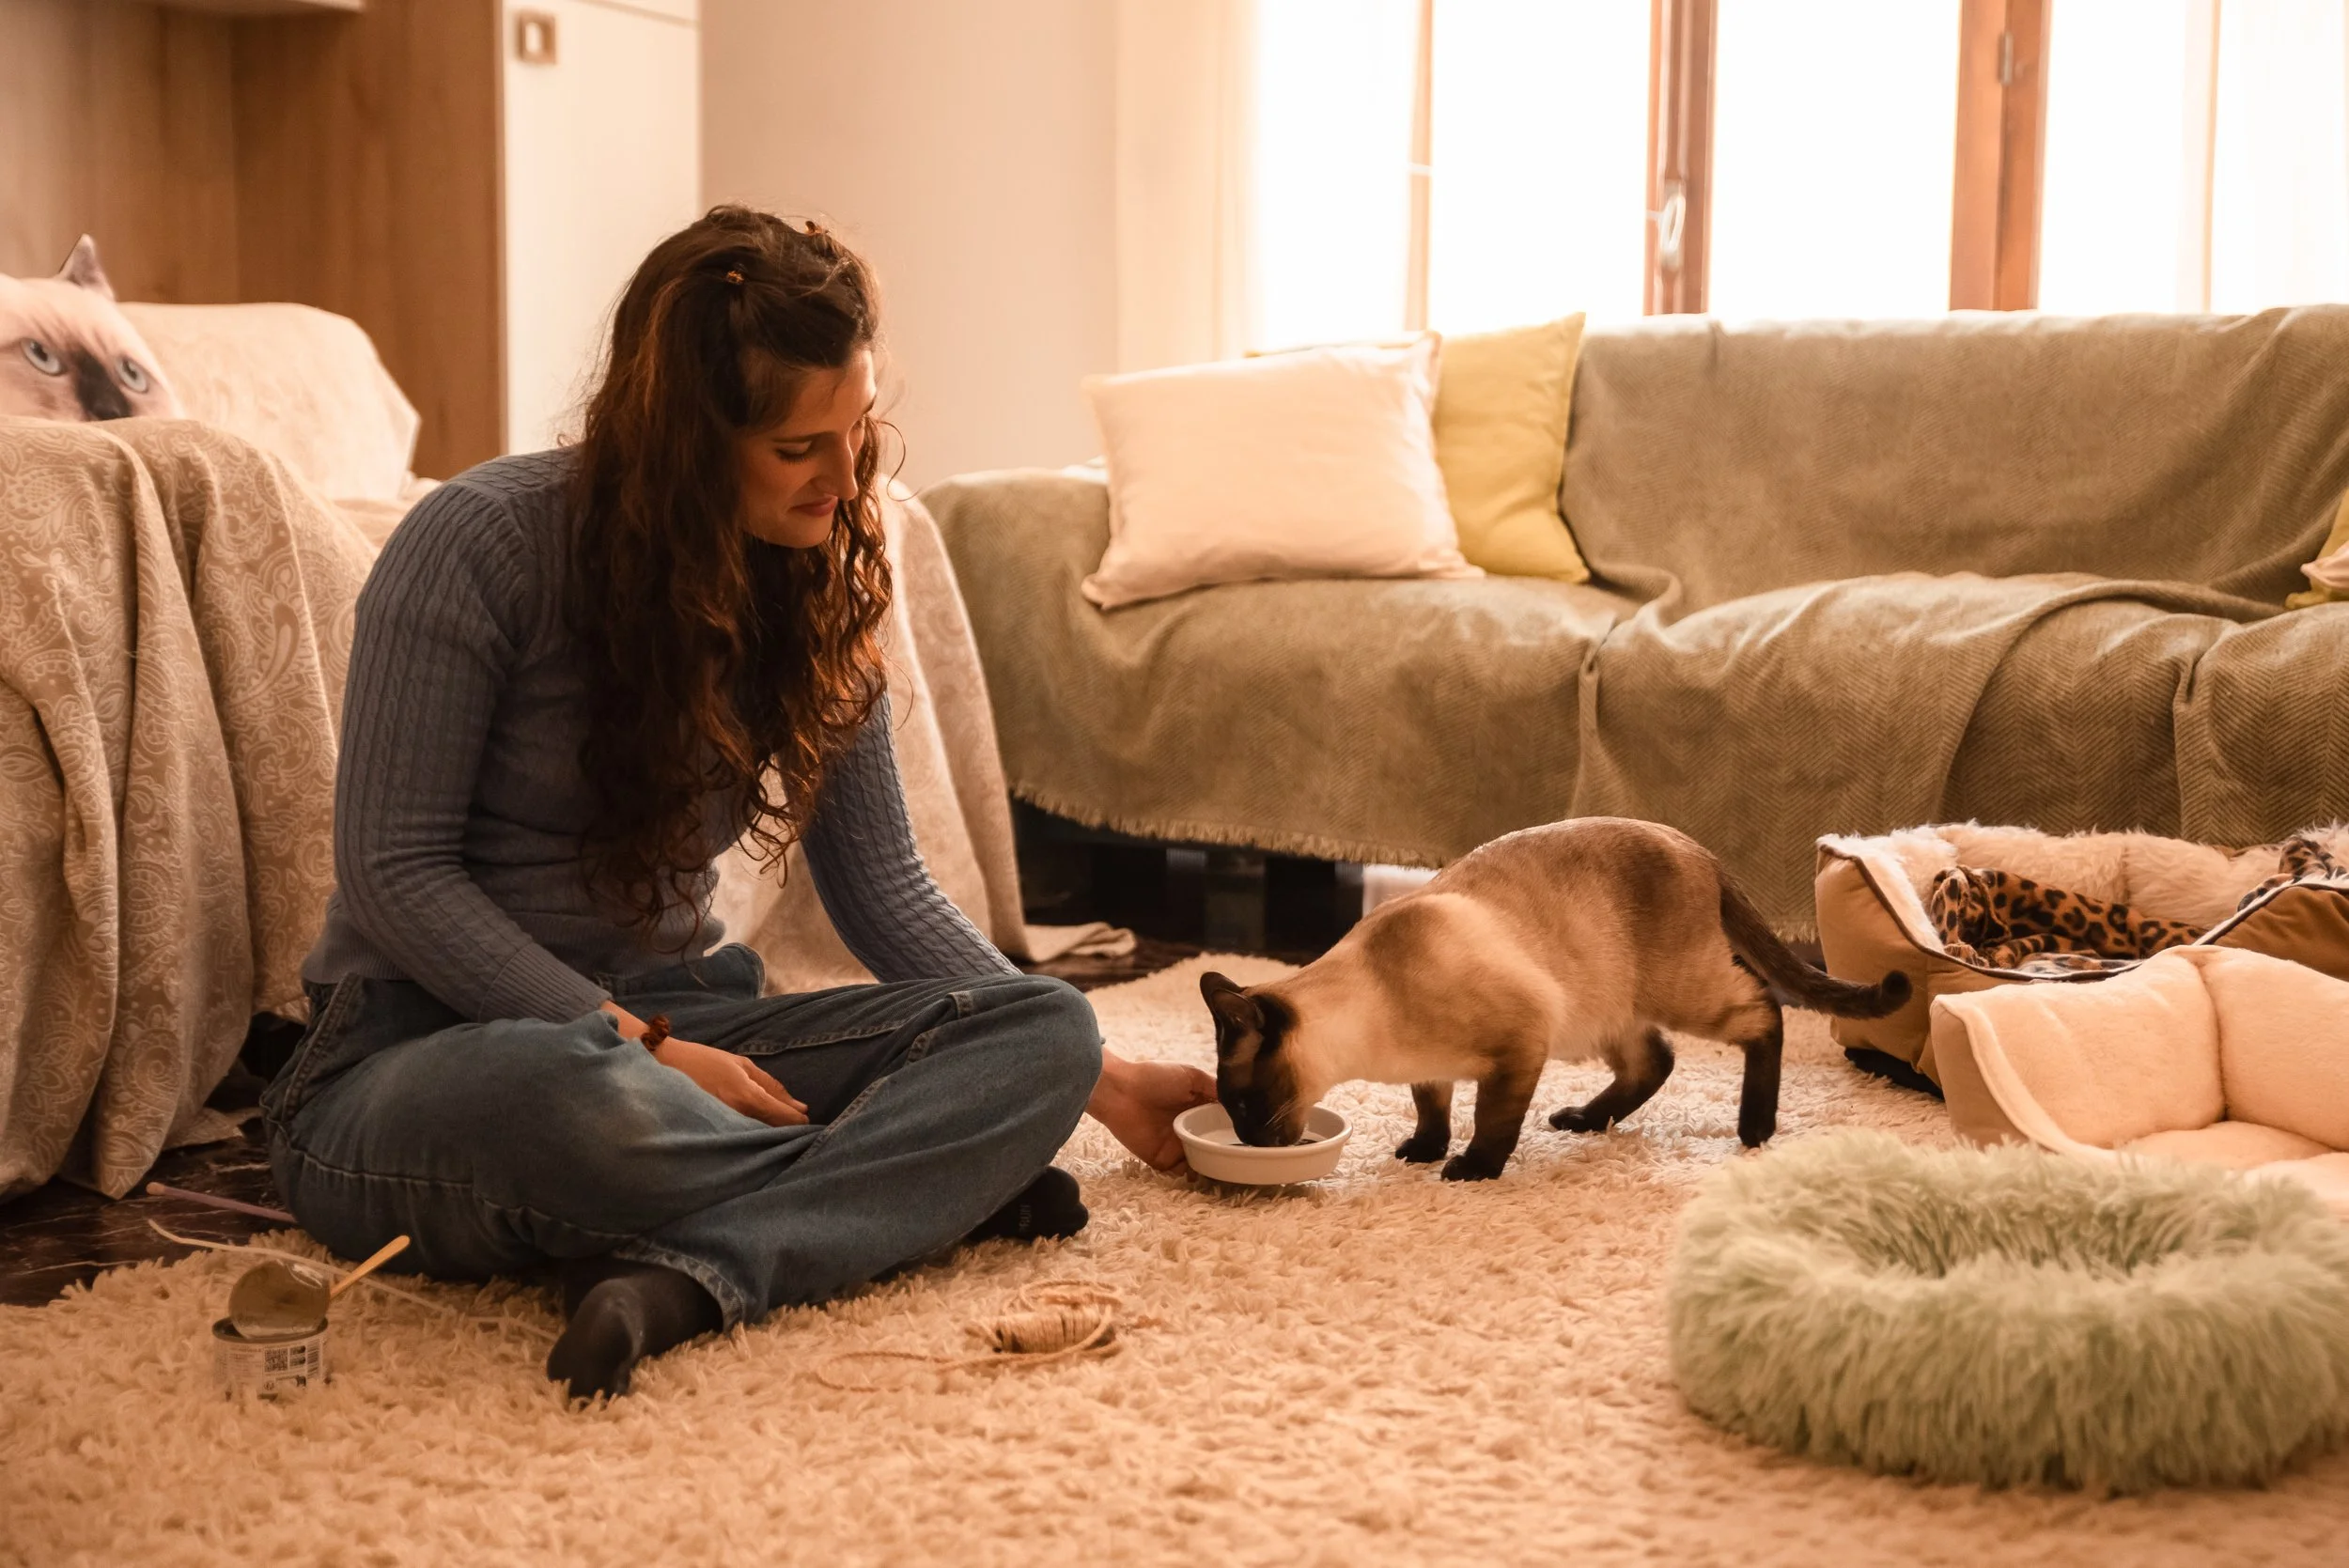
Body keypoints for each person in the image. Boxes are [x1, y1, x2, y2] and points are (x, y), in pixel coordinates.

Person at [261, 207, 1214, 1400]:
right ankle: (909, 1191)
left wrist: (1105, 1079)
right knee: (574, 1100)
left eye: (858, 427)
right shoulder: (478, 542)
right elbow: (395, 876)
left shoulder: (810, 572)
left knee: (1043, 1033)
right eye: (798, 447)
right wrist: (644, 1047)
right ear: (683, 440)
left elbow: (883, 889)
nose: (847, 473)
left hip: (688, 1037)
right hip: (426, 1058)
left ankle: (693, 1272)